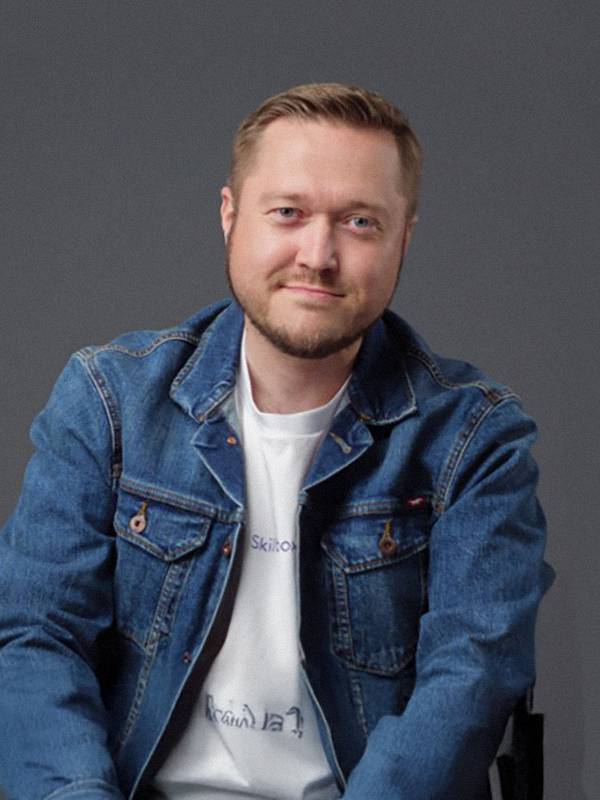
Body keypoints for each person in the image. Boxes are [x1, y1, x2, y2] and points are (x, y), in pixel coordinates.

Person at [0, 83, 553, 800]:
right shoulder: (111, 401)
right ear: (230, 216)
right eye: (288, 212)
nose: (318, 255)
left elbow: (471, 676)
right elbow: (35, 637)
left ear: (404, 238)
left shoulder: (473, 439)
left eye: (360, 222)